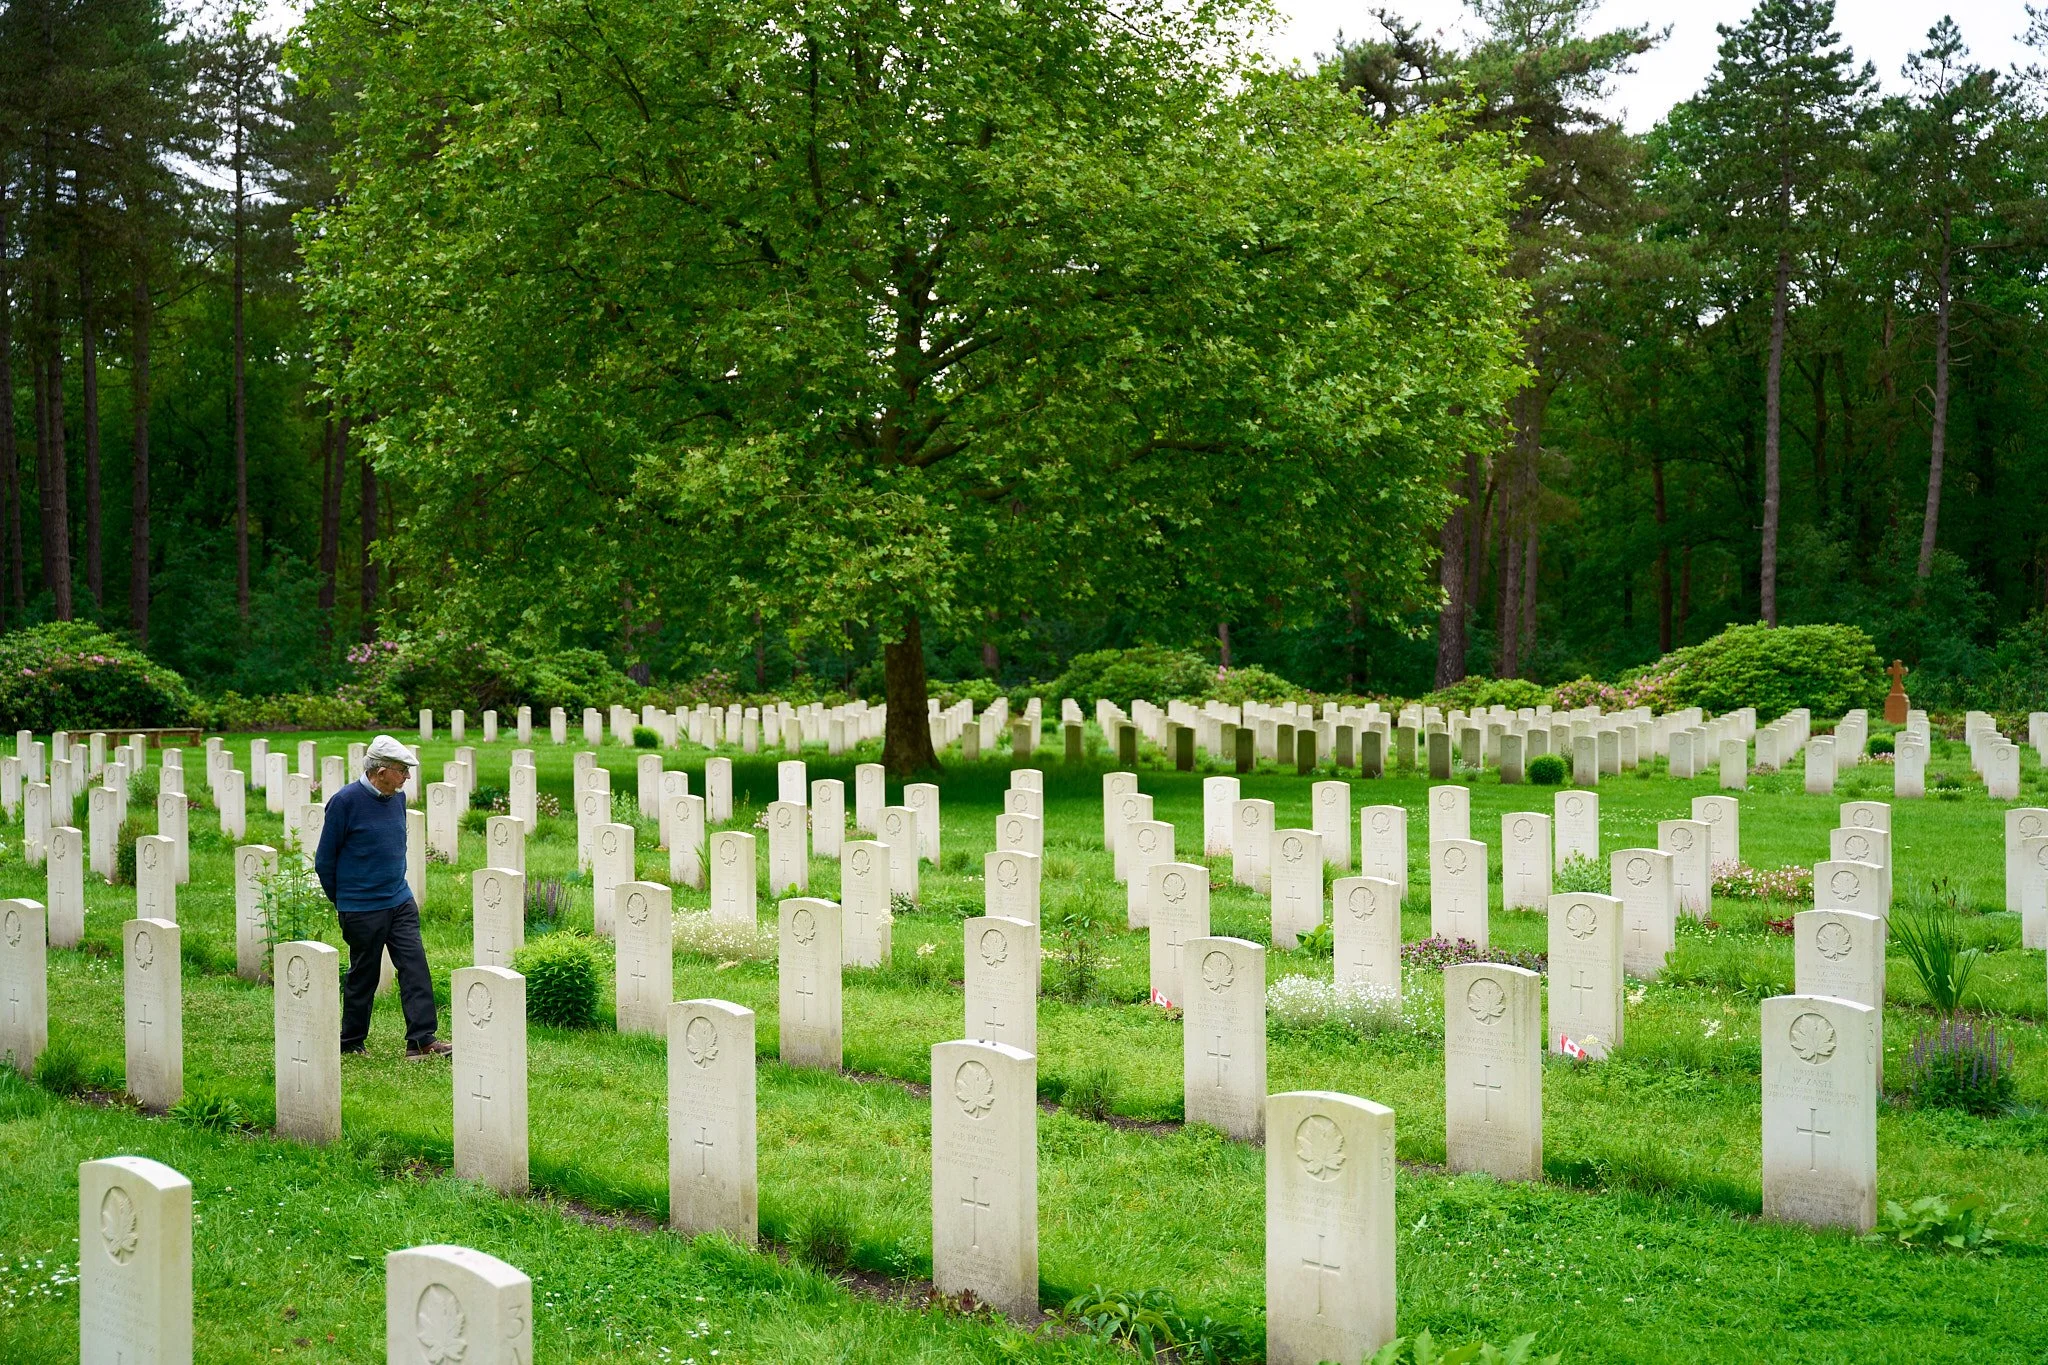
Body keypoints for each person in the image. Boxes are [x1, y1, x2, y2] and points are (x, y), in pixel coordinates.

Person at [314, 735, 451, 1058]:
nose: (407, 777)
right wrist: (345, 900)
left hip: (398, 899)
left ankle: (421, 1040)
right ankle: (351, 1041)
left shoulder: (397, 800)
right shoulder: (345, 802)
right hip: (361, 906)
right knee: (364, 974)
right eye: (402, 770)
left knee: (415, 965)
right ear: (380, 771)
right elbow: (325, 860)